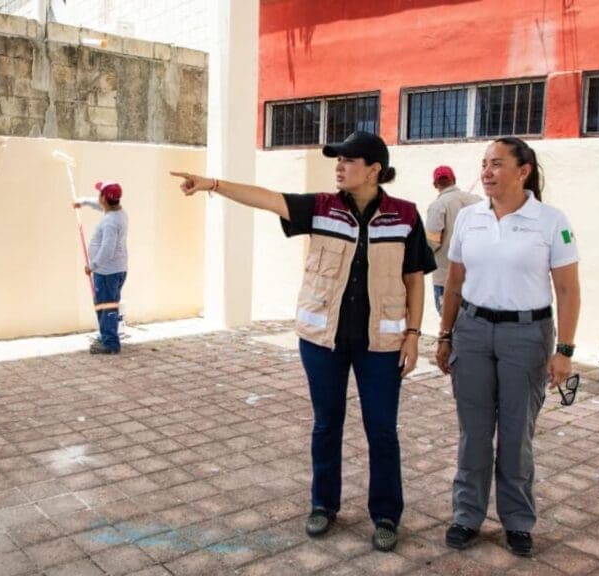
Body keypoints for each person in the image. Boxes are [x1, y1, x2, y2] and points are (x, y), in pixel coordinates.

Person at [171, 131, 435, 552]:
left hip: (380, 346)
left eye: (349, 160)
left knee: (382, 429)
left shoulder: (405, 215)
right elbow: (267, 198)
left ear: (374, 170)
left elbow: (415, 278)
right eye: (338, 159)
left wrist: (413, 336)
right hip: (322, 342)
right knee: (326, 424)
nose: (339, 165)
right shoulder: (321, 207)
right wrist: (214, 185)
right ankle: (323, 505)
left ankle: (386, 514)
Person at [435, 137, 581, 557]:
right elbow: (455, 284)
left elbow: (568, 291)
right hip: (473, 331)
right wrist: (445, 336)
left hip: (527, 335)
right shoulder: (469, 219)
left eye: (497, 164)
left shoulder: (550, 221)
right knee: (474, 433)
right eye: (483, 164)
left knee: (517, 433)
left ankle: (517, 521)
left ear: (524, 171)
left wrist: (564, 351)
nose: (486, 172)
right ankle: (467, 515)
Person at [74, 181, 128, 354]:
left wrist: (92, 265)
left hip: (107, 272)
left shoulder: (110, 222)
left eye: (100, 195)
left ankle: (110, 343)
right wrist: (82, 202)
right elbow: (100, 206)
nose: (98, 198)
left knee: (106, 307)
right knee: (107, 305)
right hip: (116, 270)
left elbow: (107, 249)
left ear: (104, 198)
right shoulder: (119, 212)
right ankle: (107, 336)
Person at [425, 165, 480, 315]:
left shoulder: (438, 206)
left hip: (446, 276)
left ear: (435, 184)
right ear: (454, 180)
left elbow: (432, 242)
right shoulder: (477, 201)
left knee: (448, 322)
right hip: (476, 275)